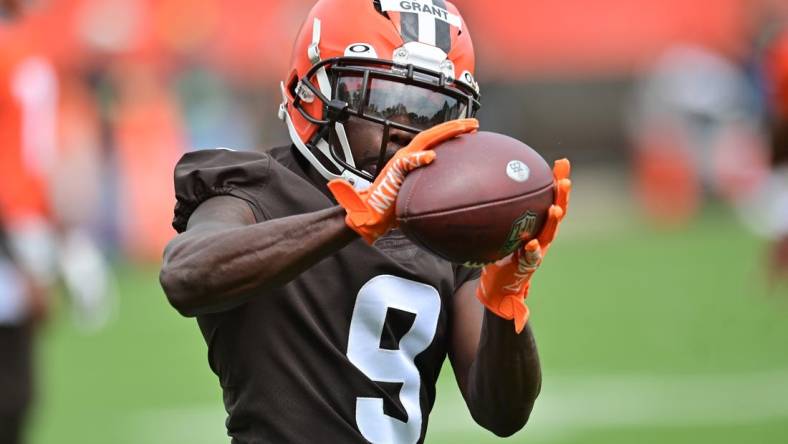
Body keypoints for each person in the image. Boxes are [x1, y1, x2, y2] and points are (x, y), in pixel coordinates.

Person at [160, 1, 571, 442]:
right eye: (384, 100)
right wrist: (352, 219)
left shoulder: (443, 225)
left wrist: (505, 301)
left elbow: (502, 414)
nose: (405, 129)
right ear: (315, 90)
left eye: (431, 110)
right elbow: (185, 276)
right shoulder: (255, 189)